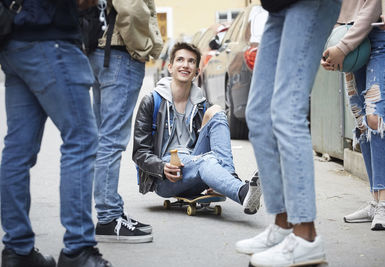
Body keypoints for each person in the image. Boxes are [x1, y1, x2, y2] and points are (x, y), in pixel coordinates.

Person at [0, 0, 111, 266]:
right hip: (52, 40)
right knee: (81, 140)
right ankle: (78, 249)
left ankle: (18, 251)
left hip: (13, 42)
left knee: (18, 150)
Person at [236, 1, 340, 266]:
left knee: (287, 112)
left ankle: (305, 237)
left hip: (308, 3)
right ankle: (283, 226)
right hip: (277, 6)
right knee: (258, 116)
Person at [132, 42, 262, 214]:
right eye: (180, 60)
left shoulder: (200, 104)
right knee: (206, 160)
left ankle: (228, 177)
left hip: (196, 164)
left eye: (191, 61)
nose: (185, 65)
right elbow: (139, 152)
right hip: (167, 176)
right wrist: (161, 167)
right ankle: (242, 192)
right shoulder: (152, 101)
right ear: (170, 67)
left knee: (216, 112)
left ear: (197, 71)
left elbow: (207, 141)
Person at [88, 0, 163, 243]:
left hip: (101, 52)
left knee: (103, 138)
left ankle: (111, 211)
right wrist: (145, 46)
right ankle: (109, 218)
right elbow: (131, 8)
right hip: (120, 55)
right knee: (111, 140)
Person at [321, 0, 385, 231]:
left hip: (382, 36)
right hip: (350, 40)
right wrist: (330, 48)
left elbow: (374, 6)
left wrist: (341, 48)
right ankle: (375, 201)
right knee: (362, 122)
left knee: (376, 116)